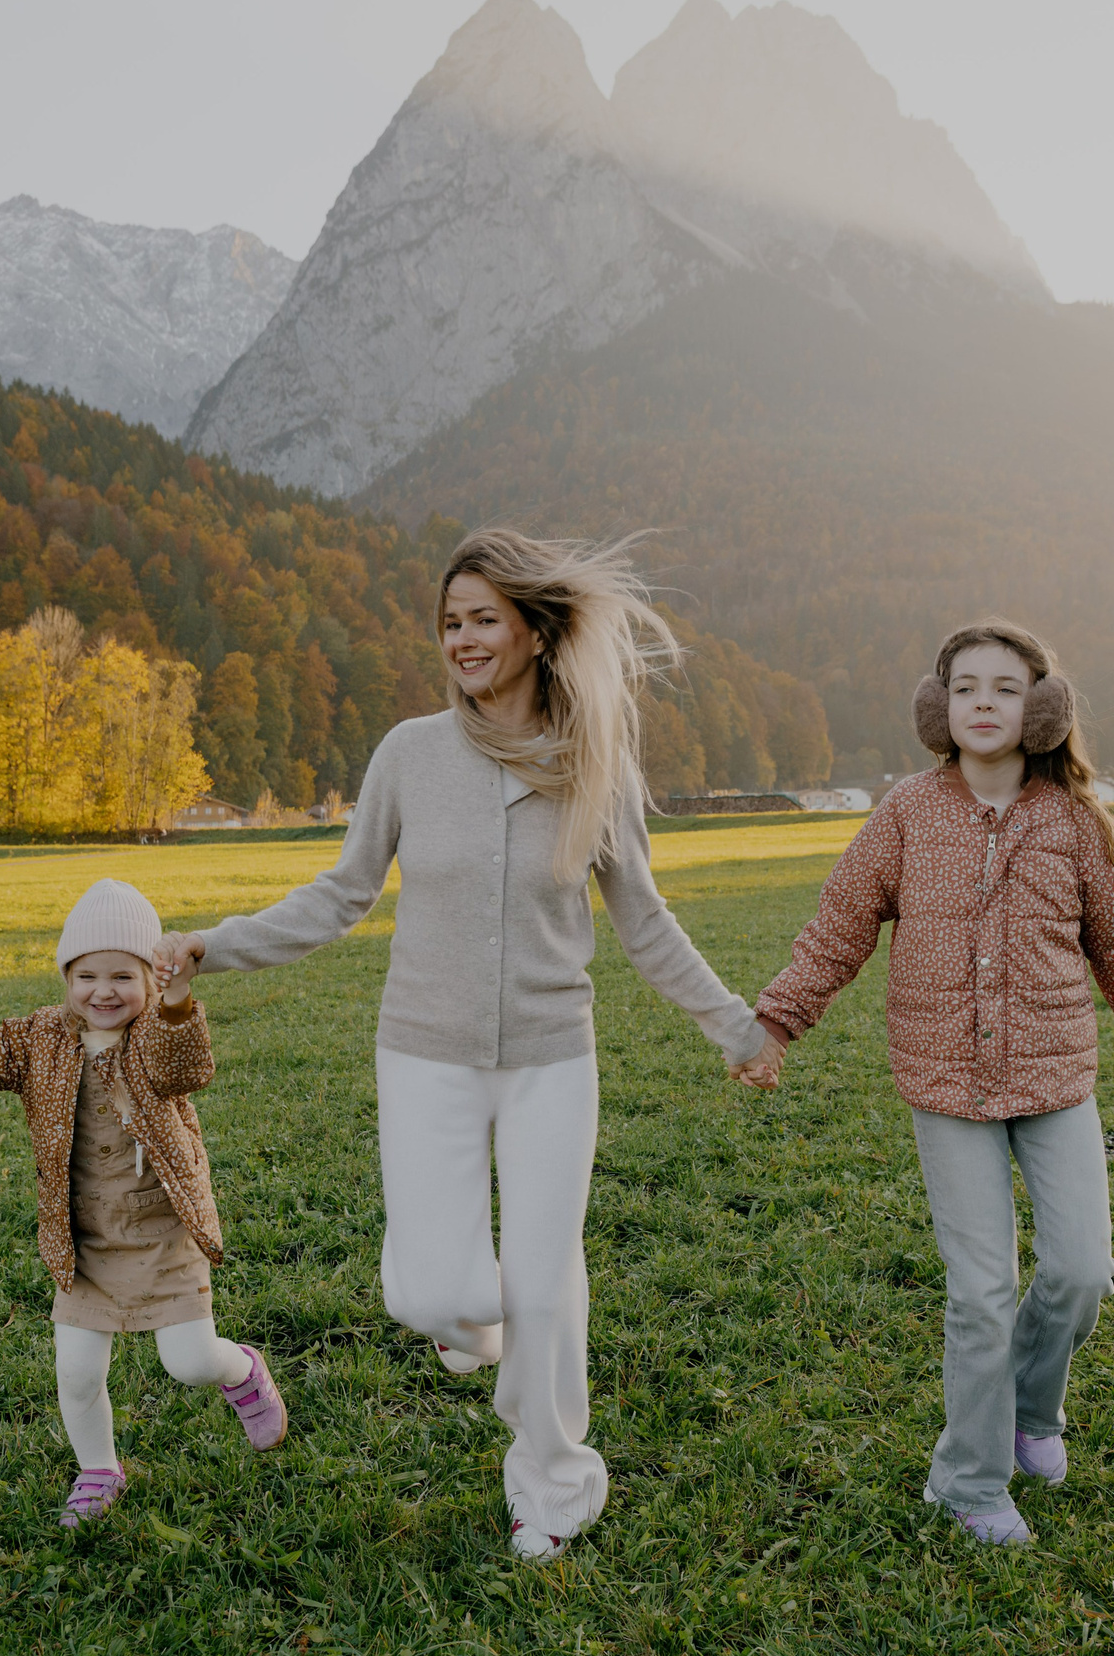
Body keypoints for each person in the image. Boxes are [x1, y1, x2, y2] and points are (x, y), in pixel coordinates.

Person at [153, 529, 784, 1561]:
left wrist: (734, 1023)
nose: (461, 638)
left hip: (551, 1058)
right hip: (424, 1054)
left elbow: (646, 923)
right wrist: (211, 946)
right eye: (449, 622)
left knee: (545, 1281)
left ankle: (553, 1483)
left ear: (535, 632)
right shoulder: (409, 753)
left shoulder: (595, 765)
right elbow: (342, 892)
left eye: (482, 617)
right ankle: (481, 1335)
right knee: (430, 1292)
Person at [743, 620, 1114, 1548]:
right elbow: (840, 925)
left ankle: (1032, 1409)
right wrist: (778, 1022)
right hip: (945, 1085)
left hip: (1057, 1079)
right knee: (981, 1291)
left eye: (1007, 688)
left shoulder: (1073, 822)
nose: (986, 702)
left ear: (1044, 711)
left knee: (1077, 1270)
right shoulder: (906, 813)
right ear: (940, 707)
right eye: (968, 687)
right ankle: (971, 1482)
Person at [0, 878, 288, 1531]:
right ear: (66, 979)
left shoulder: (155, 1034)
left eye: (122, 975)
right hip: (85, 1242)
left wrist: (179, 999)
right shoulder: (40, 1038)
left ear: (150, 979)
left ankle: (241, 1372)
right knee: (75, 1372)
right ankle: (98, 1468)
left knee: (189, 1364)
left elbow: (186, 1068)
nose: (103, 991)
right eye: (86, 975)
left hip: (162, 1235)